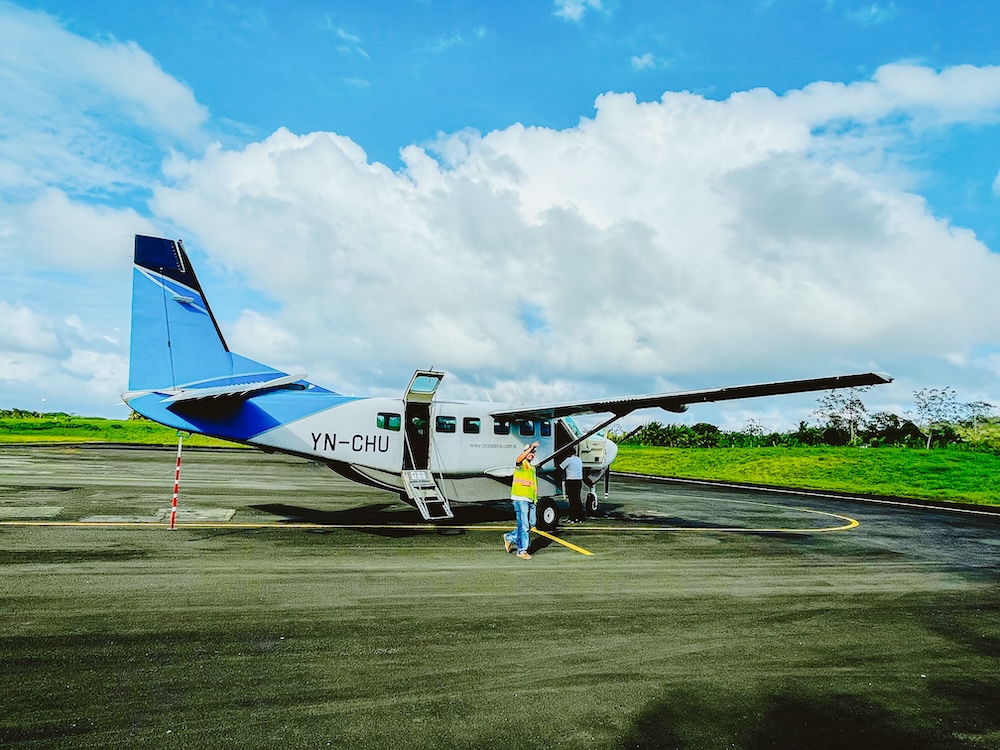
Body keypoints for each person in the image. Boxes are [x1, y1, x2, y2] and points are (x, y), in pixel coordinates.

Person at [504, 441, 539, 560]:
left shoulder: (532, 468)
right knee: (524, 525)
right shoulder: (521, 464)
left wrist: (535, 500)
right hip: (520, 499)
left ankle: (510, 537)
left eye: (534, 452)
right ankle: (521, 550)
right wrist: (531, 447)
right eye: (530, 452)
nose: (532, 454)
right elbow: (519, 459)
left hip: (530, 499)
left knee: (531, 523)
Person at [559, 450, 584, 523]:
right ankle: (580, 517)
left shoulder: (568, 460)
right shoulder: (579, 460)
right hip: (578, 480)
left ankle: (572, 517)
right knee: (577, 499)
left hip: (571, 481)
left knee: (572, 499)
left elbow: (560, 467)